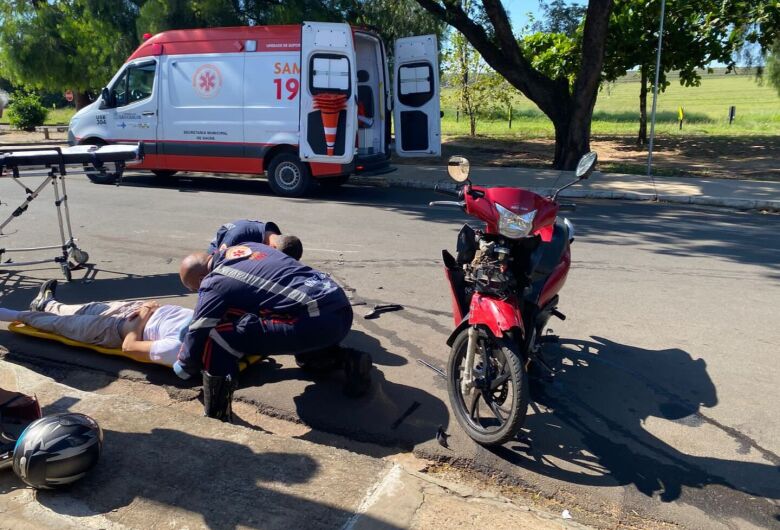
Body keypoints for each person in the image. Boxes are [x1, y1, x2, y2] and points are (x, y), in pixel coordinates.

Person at [177, 243, 371, 421]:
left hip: (314, 321)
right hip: (338, 309)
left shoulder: (214, 281)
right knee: (305, 357)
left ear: (202, 279)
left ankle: (217, 416)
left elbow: (198, 329)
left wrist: (186, 365)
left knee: (218, 337)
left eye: (195, 289)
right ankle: (349, 360)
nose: (199, 293)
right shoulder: (249, 247)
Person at [0, 280, 192, 367]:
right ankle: (47, 304)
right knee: (88, 308)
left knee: (60, 324)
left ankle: (10, 314)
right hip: (135, 310)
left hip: (114, 331)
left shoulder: (178, 348)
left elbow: (129, 347)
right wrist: (148, 307)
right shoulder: (211, 323)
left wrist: (141, 318)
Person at [207, 219, 303, 261]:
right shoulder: (238, 237)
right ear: (273, 247)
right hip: (216, 253)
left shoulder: (276, 237)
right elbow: (217, 261)